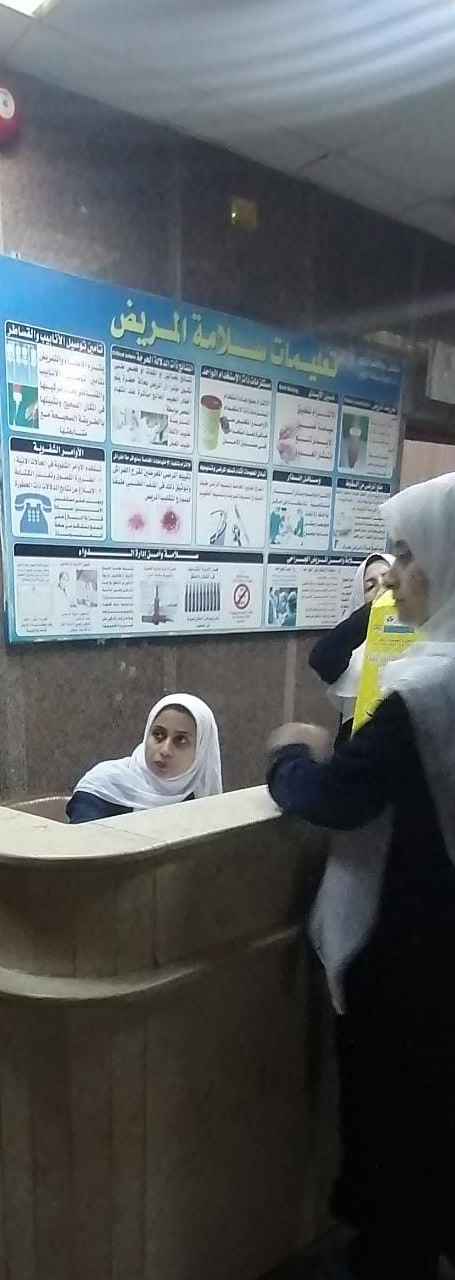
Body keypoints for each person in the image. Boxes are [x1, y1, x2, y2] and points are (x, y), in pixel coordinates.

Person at [266, 473, 455, 1280]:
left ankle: (388, 1259)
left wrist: (288, 756)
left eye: (409, 555)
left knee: (394, 1116)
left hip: (407, 943)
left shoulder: (429, 689)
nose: (396, 575)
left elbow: (336, 799)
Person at [67, 693, 222, 822]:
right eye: (158, 734)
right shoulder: (104, 787)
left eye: (180, 740)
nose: (165, 750)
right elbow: (82, 846)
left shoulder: (200, 794)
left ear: (201, 751)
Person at [308, 552, 394, 744]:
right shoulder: (352, 639)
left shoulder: (425, 633)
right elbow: (321, 658)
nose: (382, 587)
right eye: (371, 586)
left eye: (388, 580)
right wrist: (377, 608)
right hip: (357, 744)